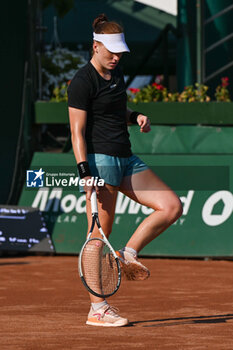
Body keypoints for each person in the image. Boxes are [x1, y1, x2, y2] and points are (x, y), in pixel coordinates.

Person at [68, 14, 183, 327]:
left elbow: (117, 108)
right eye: (111, 52)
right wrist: (85, 173)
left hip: (126, 158)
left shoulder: (116, 75)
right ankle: (97, 309)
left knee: (171, 206)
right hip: (100, 162)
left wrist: (135, 117)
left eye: (120, 52)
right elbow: (76, 132)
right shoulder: (81, 82)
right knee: (96, 237)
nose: (116, 57)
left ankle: (127, 254)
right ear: (95, 46)